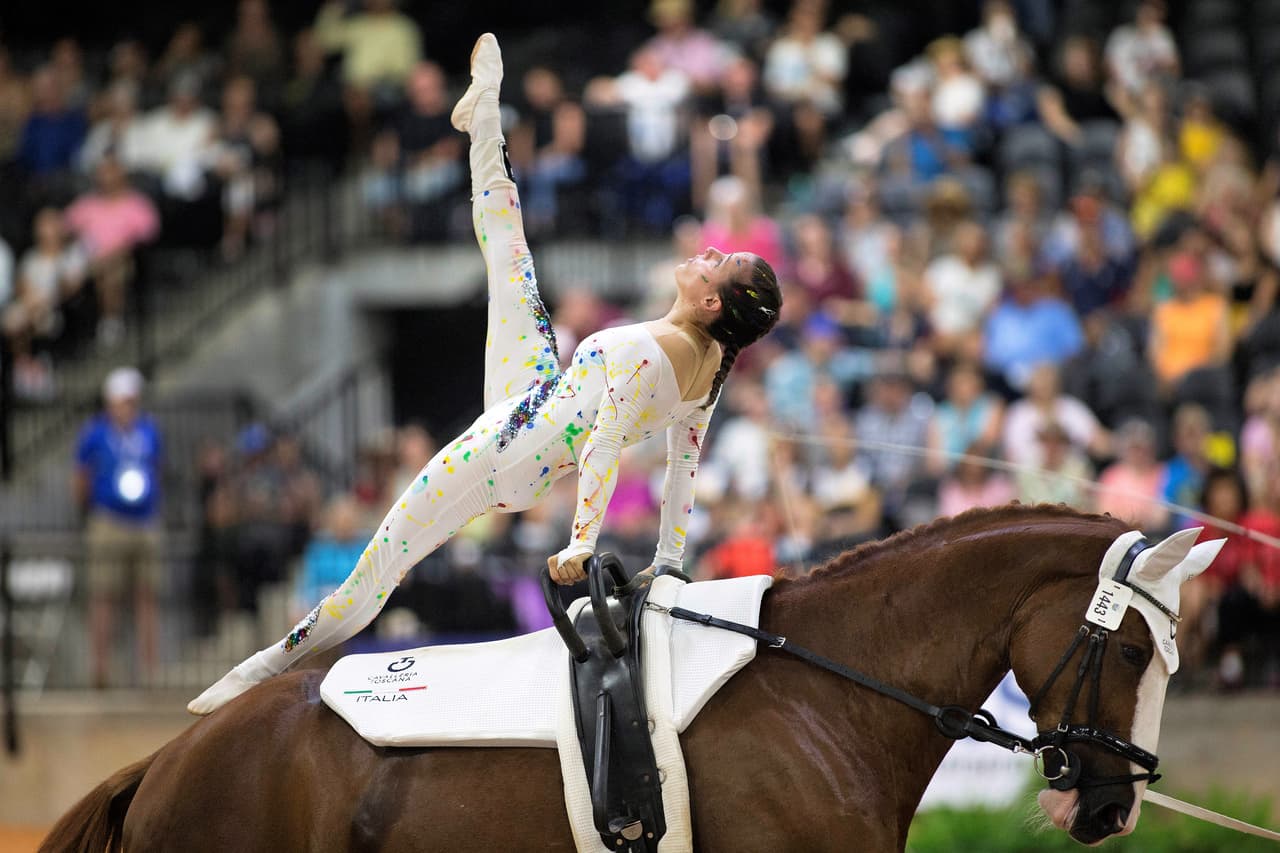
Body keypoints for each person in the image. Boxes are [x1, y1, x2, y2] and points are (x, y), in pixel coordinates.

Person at [189, 34, 782, 715]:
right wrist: (670, 561)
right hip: (534, 395)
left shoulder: (656, 352)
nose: (709, 250)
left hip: (501, 454)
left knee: (375, 572)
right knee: (510, 251)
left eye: (719, 263)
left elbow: (606, 446)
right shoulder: (709, 369)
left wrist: (582, 542)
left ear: (712, 304)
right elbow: (683, 466)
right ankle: (484, 116)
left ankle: (258, 669)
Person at [73, 367, 163, 687]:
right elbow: (81, 476)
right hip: (108, 519)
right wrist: (88, 510)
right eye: (124, 400)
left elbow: (157, 467)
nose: (129, 406)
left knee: (147, 596)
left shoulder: (149, 430)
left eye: (132, 400)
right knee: (103, 595)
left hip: (144, 521)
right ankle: (100, 670)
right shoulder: (95, 433)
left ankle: (149, 671)